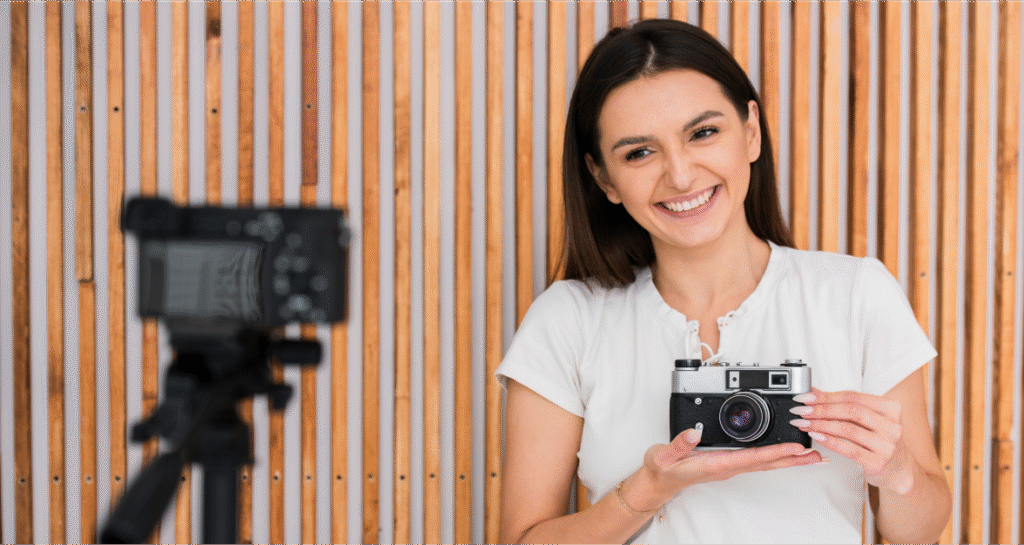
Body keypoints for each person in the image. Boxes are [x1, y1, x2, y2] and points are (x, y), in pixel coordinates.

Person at [496, 19, 951, 544]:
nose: (682, 175)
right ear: (604, 179)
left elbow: (920, 532)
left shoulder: (854, 296)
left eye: (703, 133)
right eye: (639, 153)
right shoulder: (569, 319)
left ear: (751, 131)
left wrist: (894, 470)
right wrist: (647, 489)